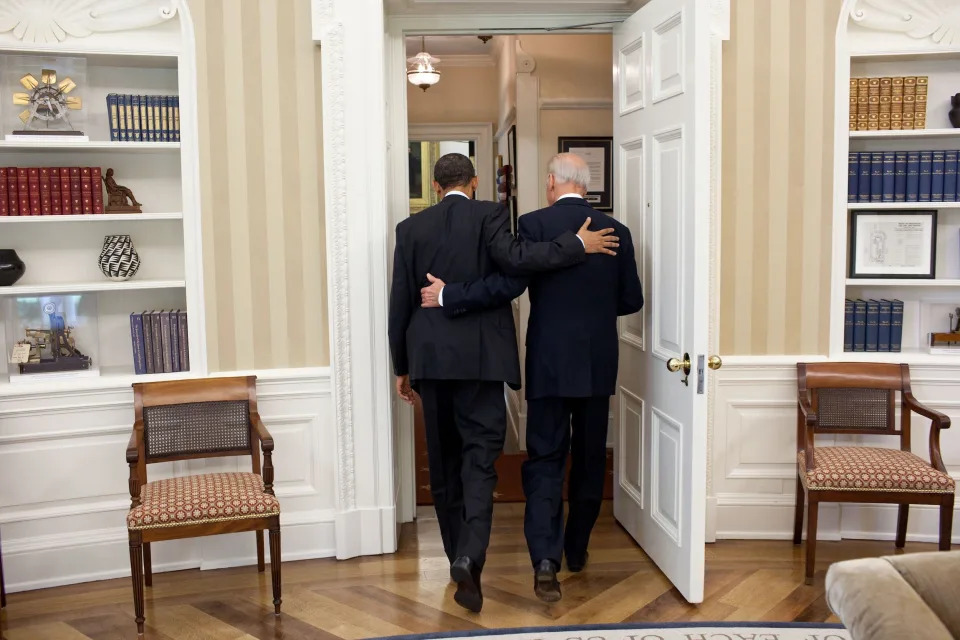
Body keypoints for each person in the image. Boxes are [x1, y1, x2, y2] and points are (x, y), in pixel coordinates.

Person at [388, 153, 619, 613]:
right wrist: (575, 246)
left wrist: (402, 367)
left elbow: (400, 304)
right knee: (479, 463)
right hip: (482, 363)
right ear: (473, 183)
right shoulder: (491, 214)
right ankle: (471, 555)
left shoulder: (409, 230)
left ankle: (459, 557)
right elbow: (517, 265)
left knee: (443, 463)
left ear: (435, 187)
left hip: (430, 362)